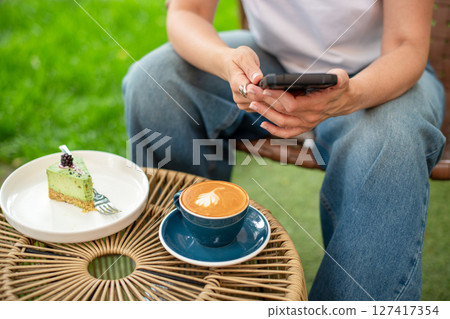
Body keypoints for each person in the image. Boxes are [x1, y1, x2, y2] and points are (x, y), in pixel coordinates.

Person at [122, 0, 446, 300]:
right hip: (270, 63)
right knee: (152, 83)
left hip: (380, 75)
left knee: (390, 143)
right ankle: (184, 285)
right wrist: (226, 62)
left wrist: (352, 96)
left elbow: (407, 45)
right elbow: (187, 12)